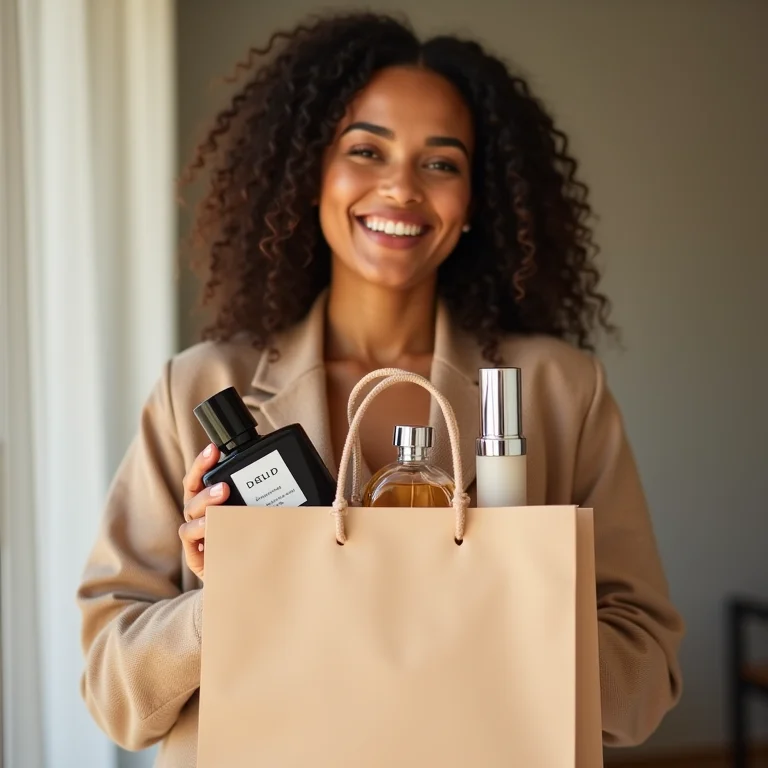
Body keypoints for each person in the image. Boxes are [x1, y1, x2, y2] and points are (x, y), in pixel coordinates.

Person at [77, 11, 684, 765]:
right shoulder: (198, 389)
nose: (401, 187)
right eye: (366, 150)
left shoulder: (561, 393)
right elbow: (112, 695)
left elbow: (644, 680)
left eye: (442, 162)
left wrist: (510, 591)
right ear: (310, 173)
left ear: (476, 200)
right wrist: (222, 604)